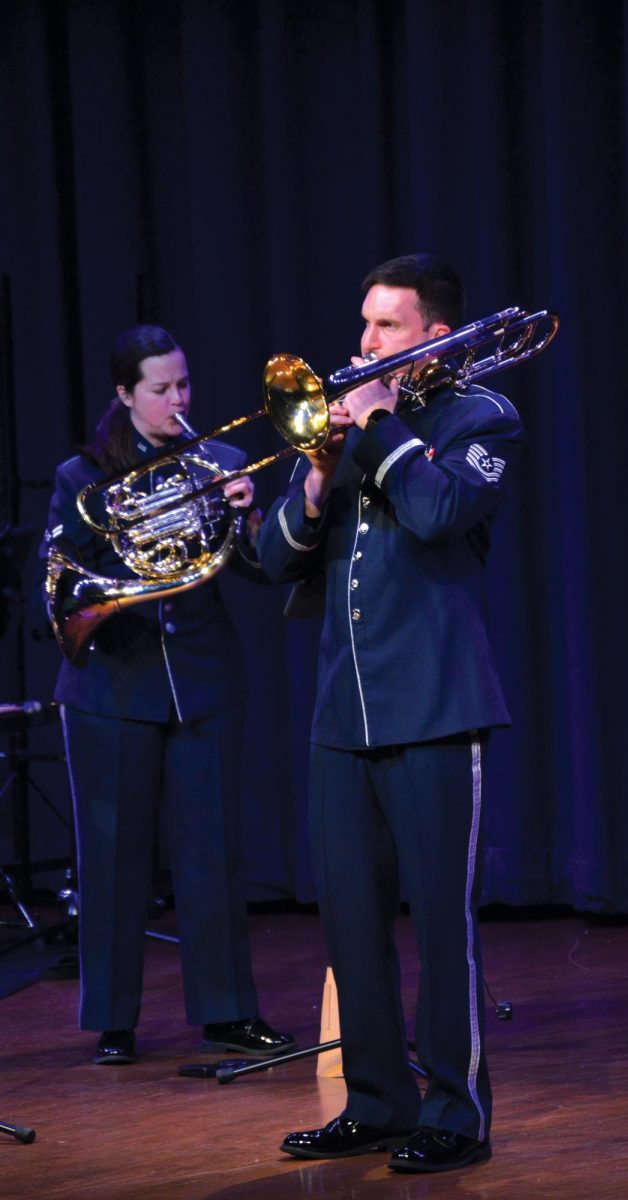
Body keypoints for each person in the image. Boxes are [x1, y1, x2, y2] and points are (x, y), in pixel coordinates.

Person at [256, 255, 524, 1173]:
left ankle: (458, 1114)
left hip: (439, 708)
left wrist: (377, 429)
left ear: (435, 336)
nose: (364, 345)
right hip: (344, 713)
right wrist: (314, 484)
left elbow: (439, 510)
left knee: (443, 925)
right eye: (364, 325)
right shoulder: (346, 433)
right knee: (351, 919)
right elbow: (274, 559)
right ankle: (376, 1099)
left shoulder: (478, 417)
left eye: (387, 329)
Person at [39, 324, 294, 1065]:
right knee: (113, 857)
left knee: (212, 851)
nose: (178, 400)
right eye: (160, 389)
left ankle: (227, 1013)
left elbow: (258, 568)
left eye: (184, 385)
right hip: (112, 682)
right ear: (124, 395)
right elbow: (64, 582)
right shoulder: (82, 476)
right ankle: (114, 1021)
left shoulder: (223, 460)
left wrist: (244, 514)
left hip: (204, 682)